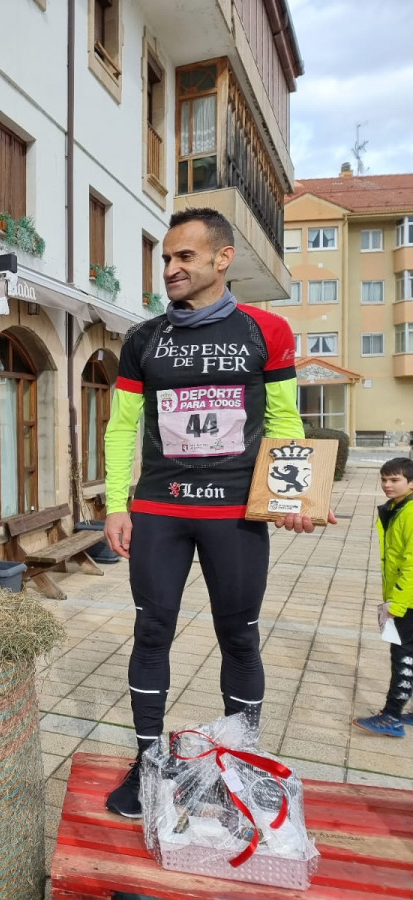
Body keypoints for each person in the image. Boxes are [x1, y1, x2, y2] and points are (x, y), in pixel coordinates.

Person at [101, 207, 331, 818]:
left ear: (222, 260)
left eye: (184, 257)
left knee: (240, 637)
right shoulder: (143, 339)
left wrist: (293, 498)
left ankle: (243, 761)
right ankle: (149, 763)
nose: (171, 268)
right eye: (166, 259)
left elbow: (284, 421)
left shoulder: (267, 332)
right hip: (159, 511)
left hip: (237, 514)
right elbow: (123, 428)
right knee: (152, 631)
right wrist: (114, 505)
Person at [353, 457, 413, 737]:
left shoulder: (410, 512)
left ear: (410, 483)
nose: (387, 485)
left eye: (395, 480)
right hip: (402, 595)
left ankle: (392, 717)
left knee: (403, 655)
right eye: (384, 479)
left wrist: (397, 604)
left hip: (407, 599)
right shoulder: (396, 508)